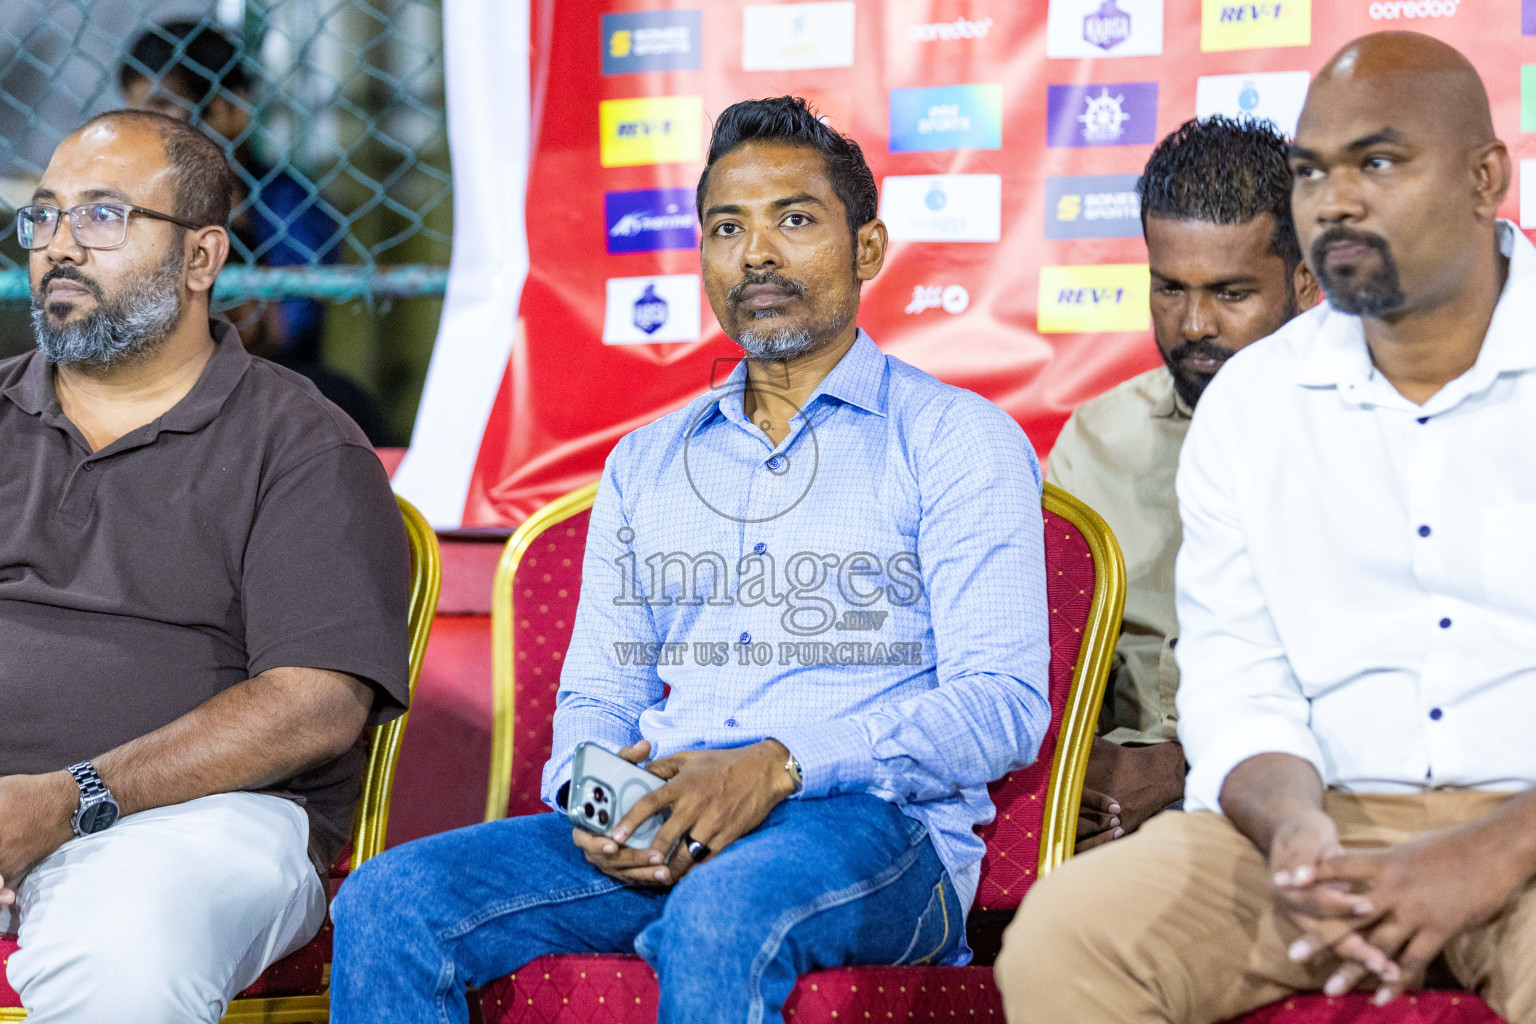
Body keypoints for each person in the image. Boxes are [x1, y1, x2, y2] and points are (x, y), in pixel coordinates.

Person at [329, 95, 1051, 1024]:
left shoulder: (957, 440)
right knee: (392, 900)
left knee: (724, 911)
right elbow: (595, 699)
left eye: (794, 220)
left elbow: (1001, 706)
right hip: (664, 817)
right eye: (726, 228)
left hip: (872, 829)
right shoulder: (648, 462)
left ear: (867, 250)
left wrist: (779, 765)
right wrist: (605, 805)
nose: (757, 254)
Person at [997, 31, 1536, 1023]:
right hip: (1313, 821)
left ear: (1483, 177)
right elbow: (1239, 679)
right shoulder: (1254, 403)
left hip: (1526, 828)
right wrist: (1293, 830)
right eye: (1313, 171)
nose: (1336, 198)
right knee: (1068, 939)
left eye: (1376, 161)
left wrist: (1489, 854)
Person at [0, 109, 410, 1023]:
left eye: (103, 217)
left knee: (127, 950)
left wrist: (69, 800)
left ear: (201, 259)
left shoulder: (299, 446)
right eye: (45, 216)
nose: (60, 245)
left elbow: (314, 702)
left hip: (187, 824)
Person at [1046, 116, 1318, 851]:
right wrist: (1073, 769)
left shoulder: (1359, 439)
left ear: (1306, 283)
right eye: (1170, 288)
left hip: (1295, 794)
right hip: (1100, 803)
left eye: (1231, 294)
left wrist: (1176, 767)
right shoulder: (1095, 438)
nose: (1194, 324)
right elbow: (1042, 658)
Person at [119, 19, 390, 444]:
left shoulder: (291, 207)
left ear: (230, 110)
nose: (142, 132)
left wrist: (226, 204)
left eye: (164, 109)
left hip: (268, 378)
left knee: (341, 404)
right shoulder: (129, 204)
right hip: (155, 381)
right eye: (133, 114)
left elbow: (272, 338)